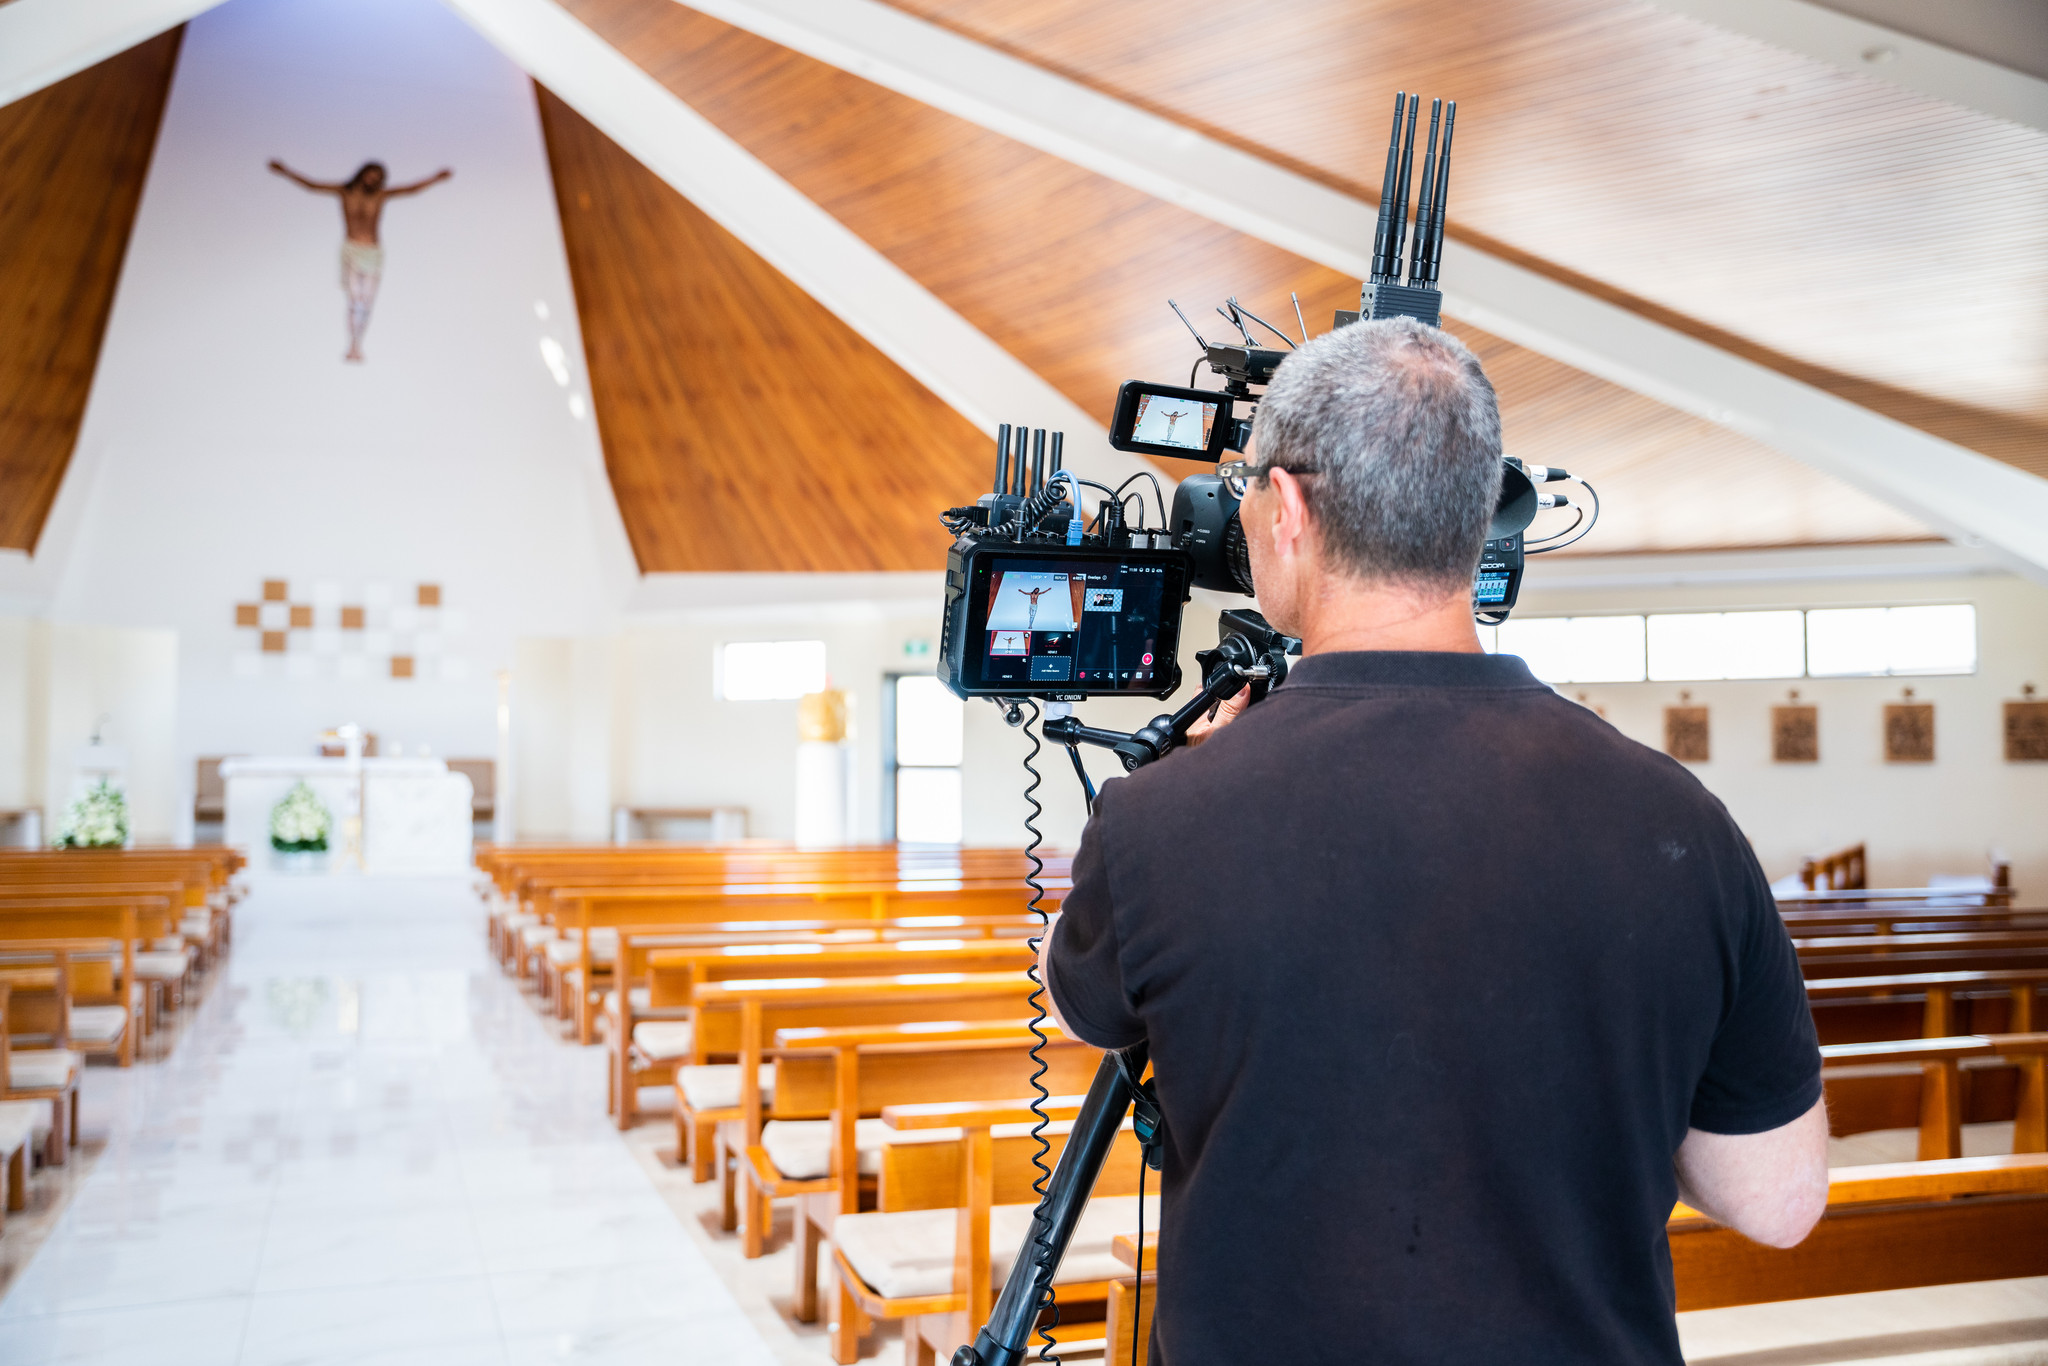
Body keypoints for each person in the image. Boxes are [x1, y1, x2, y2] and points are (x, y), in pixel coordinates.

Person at [1041, 317, 1826, 1365]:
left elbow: (1080, 1008)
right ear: (1476, 518)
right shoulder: (1679, 818)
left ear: (1284, 508)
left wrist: (1191, 780)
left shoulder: (1157, 818)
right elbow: (1774, 1200)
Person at [268, 159, 453, 361]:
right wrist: (285, 172)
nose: (372, 180)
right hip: (352, 251)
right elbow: (311, 185)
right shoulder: (344, 191)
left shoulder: (381, 195)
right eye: (371, 174)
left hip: (373, 253)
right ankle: (353, 345)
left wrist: (435, 179)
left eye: (377, 178)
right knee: (355, 299)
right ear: (362, 173)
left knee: (367, 301)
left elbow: (411, 190)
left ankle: (357, 343)